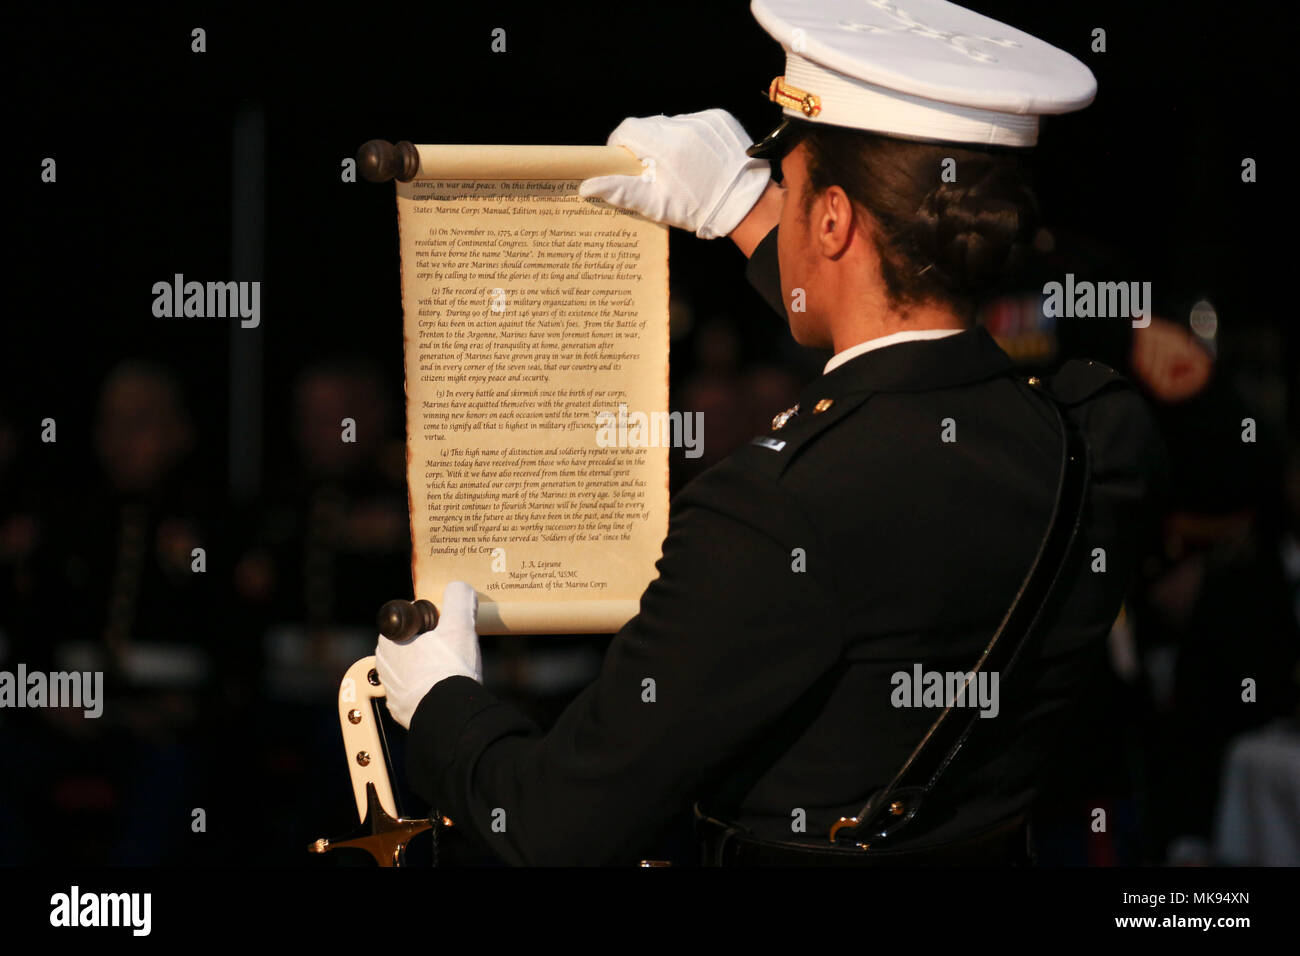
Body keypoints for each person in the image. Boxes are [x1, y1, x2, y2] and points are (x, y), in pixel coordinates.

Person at [375, 0, 1164, 865]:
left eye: (782, 185)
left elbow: (551, 825)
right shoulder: (1098, 437)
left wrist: (444, 703)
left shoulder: (770, 510)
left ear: (831, 221)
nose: (772, 202)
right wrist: (752, 215)